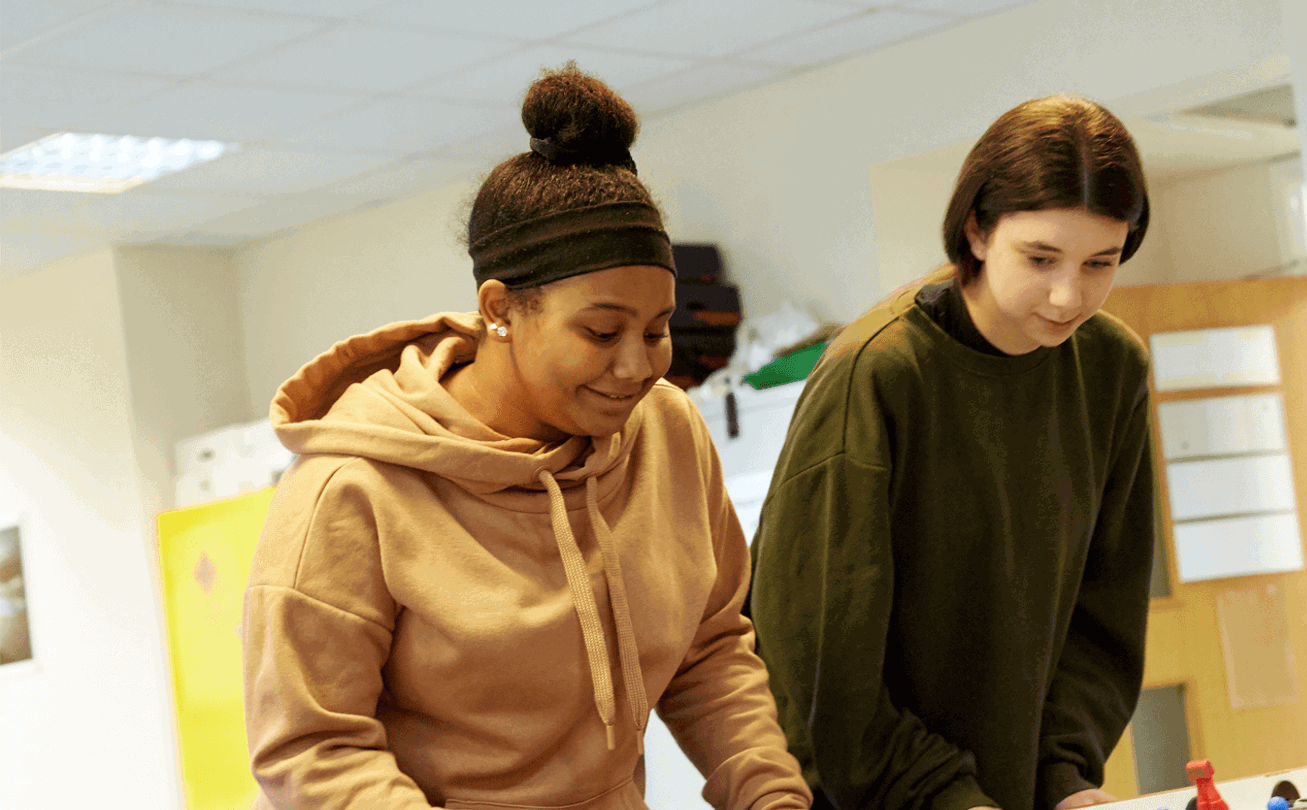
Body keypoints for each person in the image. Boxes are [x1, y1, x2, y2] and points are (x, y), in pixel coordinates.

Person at [242, 65, 810, 810]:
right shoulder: (352, 488)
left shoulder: (667, 432)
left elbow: (709, 647)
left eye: (658, 329)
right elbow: (313, 748)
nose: (638, 366)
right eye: (602, 331)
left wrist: (770, 795)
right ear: (502, 308)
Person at [747, 95, 1157, 810]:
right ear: (976, 230)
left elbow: (1106, 613)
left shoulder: (1112, 367)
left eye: (1100, 262)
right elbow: (815, 669)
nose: (1069, 295)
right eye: (1040, 258)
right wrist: (945, 796)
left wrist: (1064, 774)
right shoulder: (875, 373)